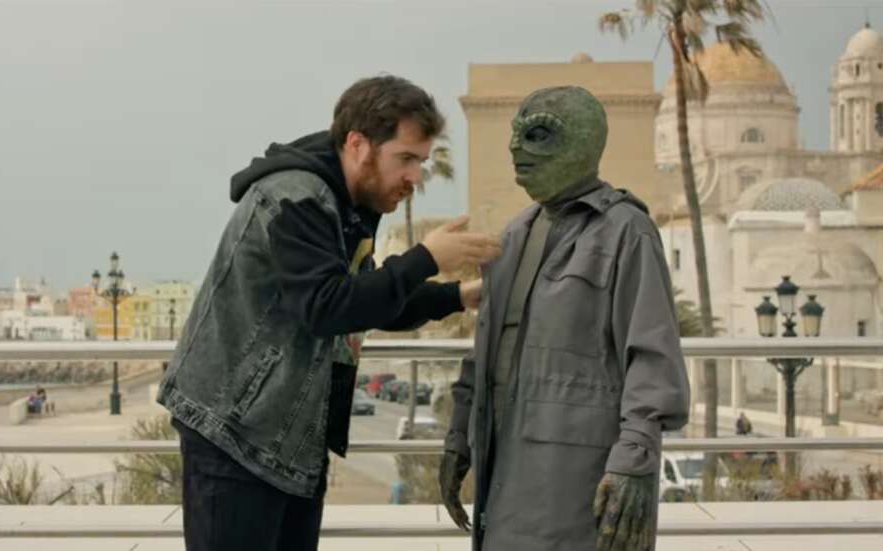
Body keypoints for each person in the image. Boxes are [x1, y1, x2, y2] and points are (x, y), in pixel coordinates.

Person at [157, 75, 501, 551]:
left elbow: (365, 300)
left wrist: (460, 296)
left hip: (285, 439)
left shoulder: (346, 204)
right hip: (235, 436)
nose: (416, 178)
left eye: (421, 162)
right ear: (358, 144)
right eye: (405, 158)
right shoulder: (295, 197)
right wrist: (425, 258)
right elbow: (328, 307)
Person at [439, 86, 691, 551]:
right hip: (505, 478)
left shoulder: (627, 232)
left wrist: (634, 460)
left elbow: (652, 357)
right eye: (515, 134)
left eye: (537, 135)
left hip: (579, 484)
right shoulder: (515, 235)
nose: (515, 147)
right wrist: (459, 437)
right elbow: (485, 350)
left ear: (583, 141)